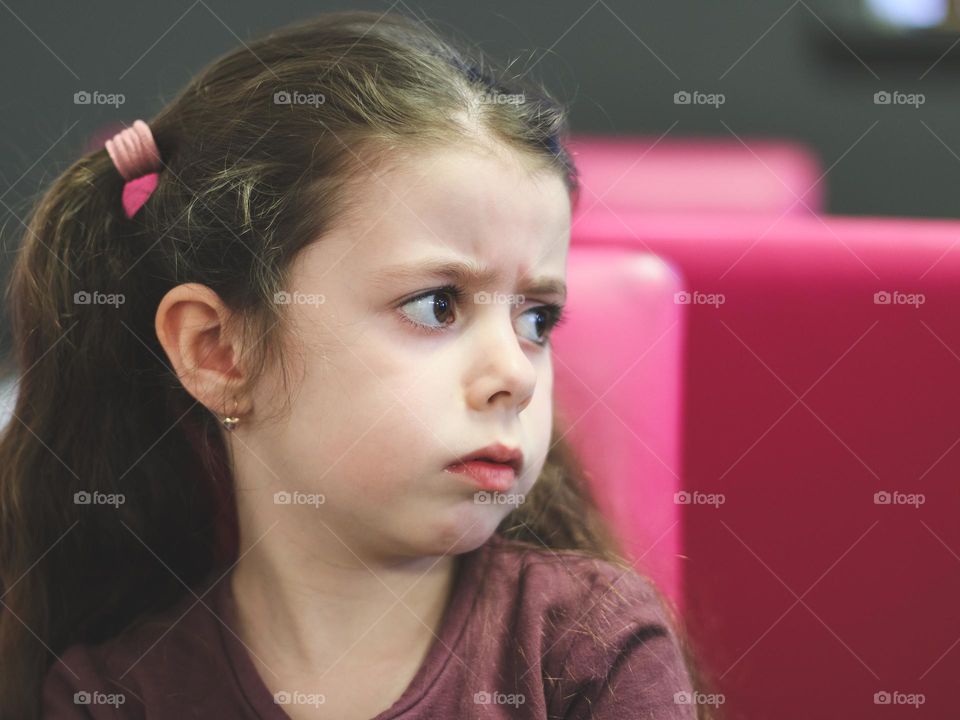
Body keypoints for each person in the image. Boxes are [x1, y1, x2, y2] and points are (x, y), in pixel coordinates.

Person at [0, 10, 712, 719]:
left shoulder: (587, 648)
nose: (517, 375)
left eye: (536, 320)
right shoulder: (116, 693)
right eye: (437, 305)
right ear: (217, 350)